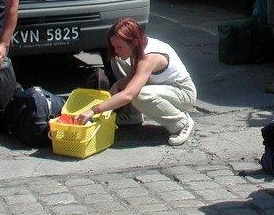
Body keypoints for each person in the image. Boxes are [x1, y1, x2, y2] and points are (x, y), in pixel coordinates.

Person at [74, 18, 197, 146]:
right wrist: (118, 85)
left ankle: (181, 123)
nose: (116, 50)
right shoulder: (138, 47)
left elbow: (129, 94)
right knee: (118, 60)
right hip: (160, 85)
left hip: (183, 93)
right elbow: (135, 74)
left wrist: (94, 110)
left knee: (139, 95)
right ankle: (132, 115)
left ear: (134, 42)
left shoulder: (149, 58)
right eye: (114, 46)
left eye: (120, 46)